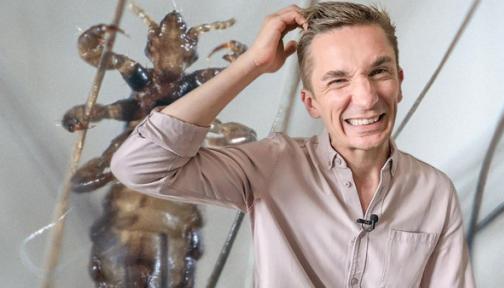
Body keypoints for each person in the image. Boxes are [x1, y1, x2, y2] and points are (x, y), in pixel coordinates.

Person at [111, 2, 475, 287]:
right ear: (310, 103)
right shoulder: (270, 166)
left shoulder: (435, 191)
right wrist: (251, 64)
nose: (365, 98)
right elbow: (139, 165)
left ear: (399, 81)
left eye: (379, 72)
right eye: (337, 81)